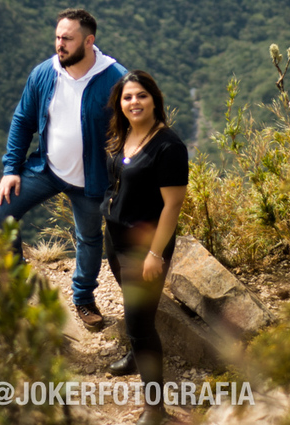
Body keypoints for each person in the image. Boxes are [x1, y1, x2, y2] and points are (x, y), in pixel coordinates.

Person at [0, 8, 127, 331]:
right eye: (57, 37)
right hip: (47, 168)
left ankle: (83, 298)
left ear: (89, 41)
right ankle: (15, 282)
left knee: (89, 238)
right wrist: (11, 168)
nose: (59, 45)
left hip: (91, 180)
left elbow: (130, 131)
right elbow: (23, 120)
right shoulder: (44, 73)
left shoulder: (115, 78)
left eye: (67, 38)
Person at [100, 71, 188, 425]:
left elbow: (173, 205)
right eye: (127, 97)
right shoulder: (122, 136)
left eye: (141, 96)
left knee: (140, 324)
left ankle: (155, 408)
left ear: (155, 100)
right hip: (116, 237)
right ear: (119, 104)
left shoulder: (168, 146)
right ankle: (137, 354)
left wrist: (155, 254)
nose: (133, 103)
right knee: (134, 310)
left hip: (144, 247)